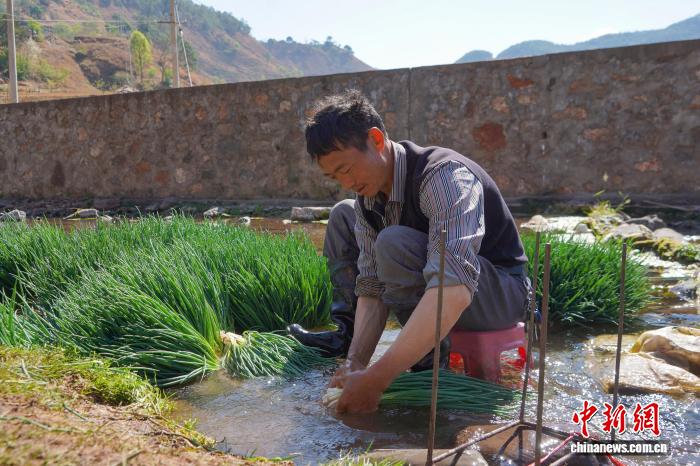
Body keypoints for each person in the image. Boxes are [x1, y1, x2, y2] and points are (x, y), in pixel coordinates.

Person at [287, 90, 530, 414]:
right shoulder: (368, 200)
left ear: (376, 139)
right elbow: (372, 287)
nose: (346, 182)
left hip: (500, 293)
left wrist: (379, 378)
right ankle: (412, 356)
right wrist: (356, 363)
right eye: (334, 176)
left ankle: (430, 366)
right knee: (349, 215)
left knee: (393, 243)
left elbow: (454, 289)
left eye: (346, 169)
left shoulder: (444, 177)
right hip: (453, 291)